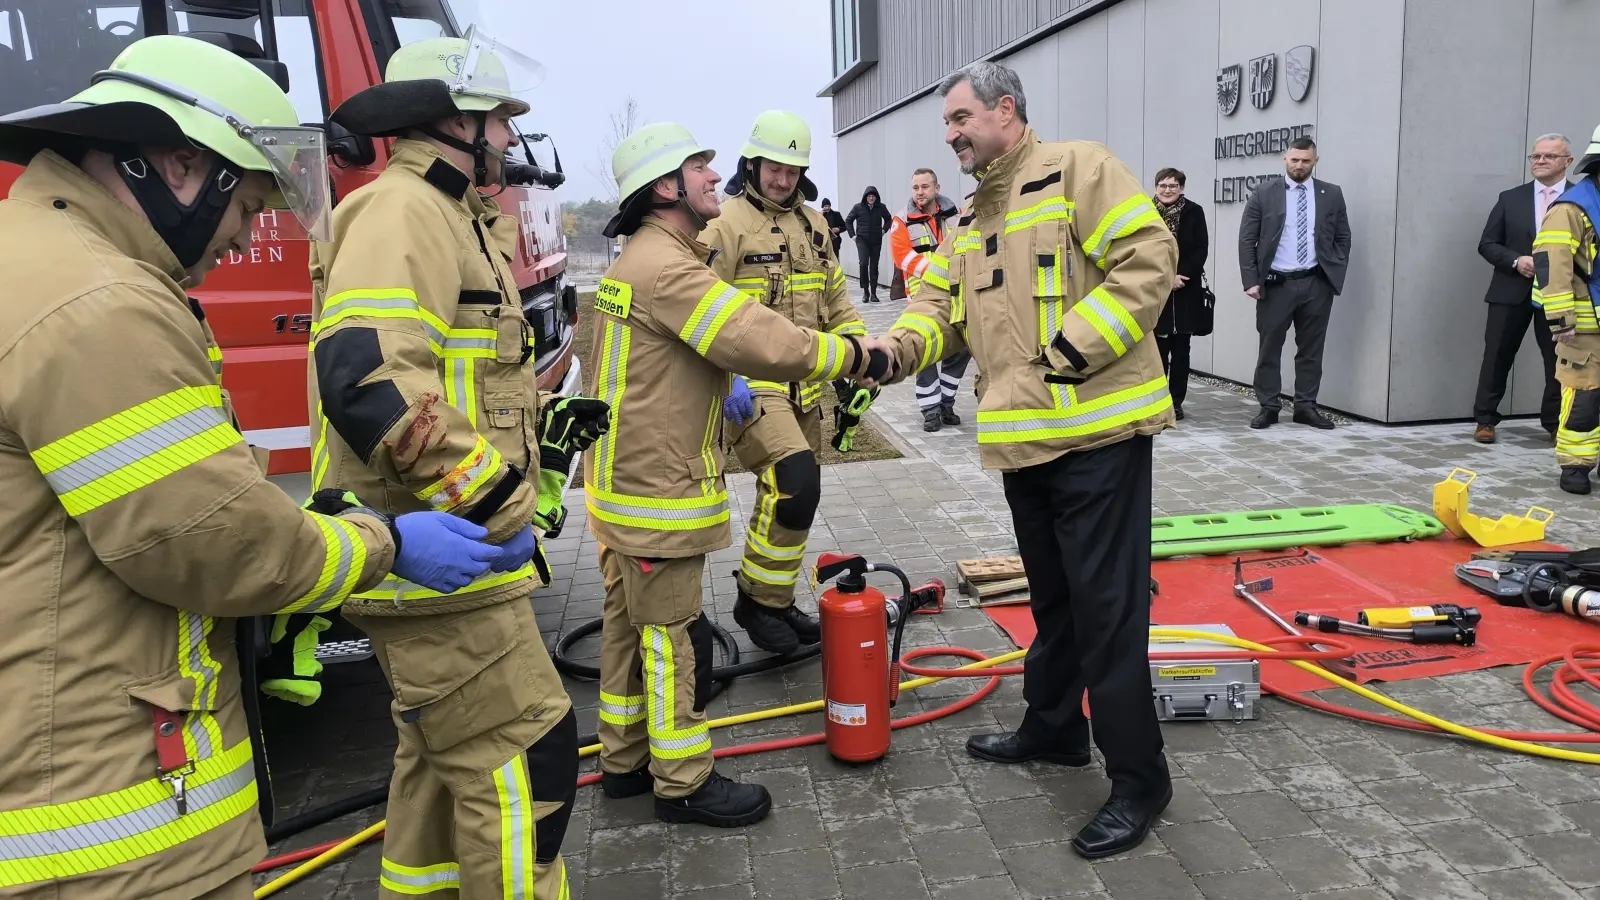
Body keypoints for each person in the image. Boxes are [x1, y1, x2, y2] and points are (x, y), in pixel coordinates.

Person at [0, 34, 506, 900]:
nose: (243, 243)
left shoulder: (41, 258)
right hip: (107, 824)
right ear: (181, 165)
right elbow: (217, 540)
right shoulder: (101, 306)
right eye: (246, 210)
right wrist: (380, 541)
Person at [305, 31, 608, 898]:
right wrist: (505, 504)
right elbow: (368, 377)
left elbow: (462, 381)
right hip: (448, 555)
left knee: (440, 760)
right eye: (500, 122)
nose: (511, 140)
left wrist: (540, 442)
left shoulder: (450, 217)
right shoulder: (403, 212)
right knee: (529, 750)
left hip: (450, 549)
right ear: (454, 120)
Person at [871, 60, 1177, 860]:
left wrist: (1071, 350)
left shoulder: (1079, 170)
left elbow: (1149, 260)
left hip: (1098, 440)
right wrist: (882, 355)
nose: (951, 134)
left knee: (1109, 616)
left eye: (960, 118)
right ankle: (1053, 731)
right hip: (1024, 447)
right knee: (1055, 601)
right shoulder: (971, 219)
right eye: (947, 124)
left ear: (1006, 111)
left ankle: (1140, 780)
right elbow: (934, 309)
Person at [587, 122, 890, 827]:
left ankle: (624, 762)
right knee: (671, 640)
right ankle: (683, 782)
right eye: (698, 167)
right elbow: (763, 337)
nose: (711, 174)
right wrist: (856, 358)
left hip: (622, 482)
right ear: (666, 187)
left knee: (626, 630)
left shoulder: (639, 258)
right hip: (656, 487)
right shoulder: (669, 267)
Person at [698, 110, 870, 652]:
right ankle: (757, 604)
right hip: (751, 387)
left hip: (808, 388)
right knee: (795, 481)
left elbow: (838, 302)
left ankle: (770, 600)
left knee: (793, 499)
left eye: (794, 171)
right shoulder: (723, 226)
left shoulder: (816, 226)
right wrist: (725, 380)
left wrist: (863, 357)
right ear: (752, 163)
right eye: (774, 168)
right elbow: (699, 311)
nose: (783, 180)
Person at [1238, 137, 1351, 429]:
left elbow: (1343, 236)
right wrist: (1251, 280)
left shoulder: (1331, 194)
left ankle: (1305, 406)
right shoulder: (1264, 193)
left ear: (1315, 161)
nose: (1299, 165)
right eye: (1294, 159)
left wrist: (1332, 274)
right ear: (1284, 159)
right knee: (1269, 348)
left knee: (1312, 349)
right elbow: (1247, 239)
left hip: (1315, 283)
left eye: (1305, 160)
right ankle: (1269, 406)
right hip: (1275, 285)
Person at [1472, 133, 1572, 444]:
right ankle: (1485, 421)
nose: (1540, 161)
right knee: (1497, 356)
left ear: (1567, 162)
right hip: (1510, 290)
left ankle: (1555, 424)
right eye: (1535, 156)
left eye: (1549, 156)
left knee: (1558, 361)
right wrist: (1516, 261)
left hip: (1560, 294)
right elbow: (1487, 244)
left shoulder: (1581, 198)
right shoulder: (1510, 198)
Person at [1531, 124, 1600, 495]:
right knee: (1584, 395)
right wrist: (1561, 321)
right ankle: (1575, 466)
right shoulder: (1573, 209)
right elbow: (1551, 264)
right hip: (1584, 328)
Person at [887, 167, 969, 431]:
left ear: (937, 188)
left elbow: (968, 245)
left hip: (956, 296)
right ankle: (930, 410)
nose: (920, 192)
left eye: (924, 187)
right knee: (925, 353)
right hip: (922, 299)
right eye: (915, 188)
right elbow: (903, 257)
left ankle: (947, 403)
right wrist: (941, 274)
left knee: (962, 348)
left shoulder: (956, 216)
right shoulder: (901, 221)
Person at [1151, 168, 1211, 421]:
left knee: (1182, 350)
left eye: (1173, 186)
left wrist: (1180, 276)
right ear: (1155, 188)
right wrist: (1165, 277)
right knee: (1157, 350)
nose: (1167, 190)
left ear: (1181, 188)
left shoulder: (1194, 212)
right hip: (1154, 288)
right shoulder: (1145, 212)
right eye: (1163, 185)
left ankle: (1176, 401)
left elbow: (1201, 248)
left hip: (1186, 288)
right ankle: (1156, 400)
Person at [846, 185, 892, 301]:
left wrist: (883, 230)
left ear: (876, 198)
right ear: (865, 197)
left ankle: (874, 294)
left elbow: (888, 219)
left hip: (876, 240)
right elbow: (848, 220)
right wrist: (853, 236)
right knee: (863, 263)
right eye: (869, 196)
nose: (871, 198)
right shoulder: (858, 207)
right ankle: (865, 292)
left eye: (873, 196)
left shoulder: (881, 207)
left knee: (874, 266)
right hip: (862, 240)